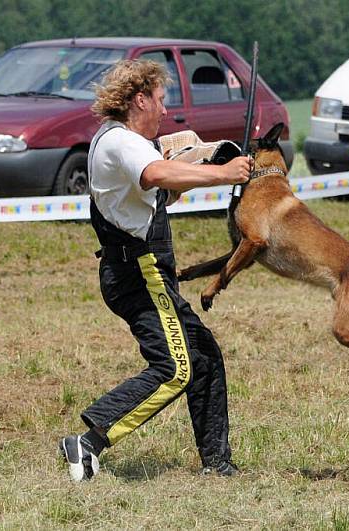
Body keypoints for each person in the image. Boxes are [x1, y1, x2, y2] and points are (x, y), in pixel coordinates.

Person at [59, 59, 251, 481]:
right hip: (140, 273)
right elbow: (155, 174)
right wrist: (221, 173)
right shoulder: (122, 142)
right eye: (162, 101)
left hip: (139, 270)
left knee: (203, 355)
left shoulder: (117, 140)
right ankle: (88, 442)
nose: (166, 111)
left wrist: (193, 169)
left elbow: (156, 192)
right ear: (139, 99)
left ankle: (217, 464)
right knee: (175, 367)